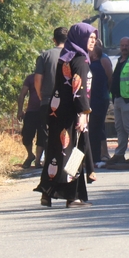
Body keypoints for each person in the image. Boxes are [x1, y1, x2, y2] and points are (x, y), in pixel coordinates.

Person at [35, 23, 98, 208]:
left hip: (56, 111)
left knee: (56, 152)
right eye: (90, 38)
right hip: (71, 112)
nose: (92, 42)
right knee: (74, 153)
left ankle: (47, 193)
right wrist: (83, 113)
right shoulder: (80, 60)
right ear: (80, 38)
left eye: (94, 39)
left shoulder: (66, 57)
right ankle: (73, 197)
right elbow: (78, 90)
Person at [33, 27, 68, 163]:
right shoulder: (73, 56)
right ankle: (64, 160)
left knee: (48, 132)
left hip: (48, 100)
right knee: (65, 131)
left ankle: (50, 161)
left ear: (54, 40)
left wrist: (40, 95)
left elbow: (37, 79)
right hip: (67, 102)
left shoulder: (44, 56)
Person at [88, 43, 113, 165]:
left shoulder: (94, 66)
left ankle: (96, 157)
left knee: (94, 129)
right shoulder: (95, 66)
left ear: (95, 54)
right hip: (100, 99)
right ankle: (98, 156)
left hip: (97, 100)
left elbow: (109, 78)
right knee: (97, 128)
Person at [16, 73, 45, 168]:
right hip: (31, 111)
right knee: (26, 135)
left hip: (44, 110)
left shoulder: (49, 77)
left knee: (42, 136)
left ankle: (38, 161)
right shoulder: (30, 78)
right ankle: (30, 155)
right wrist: (20, 110)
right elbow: (22, 94)